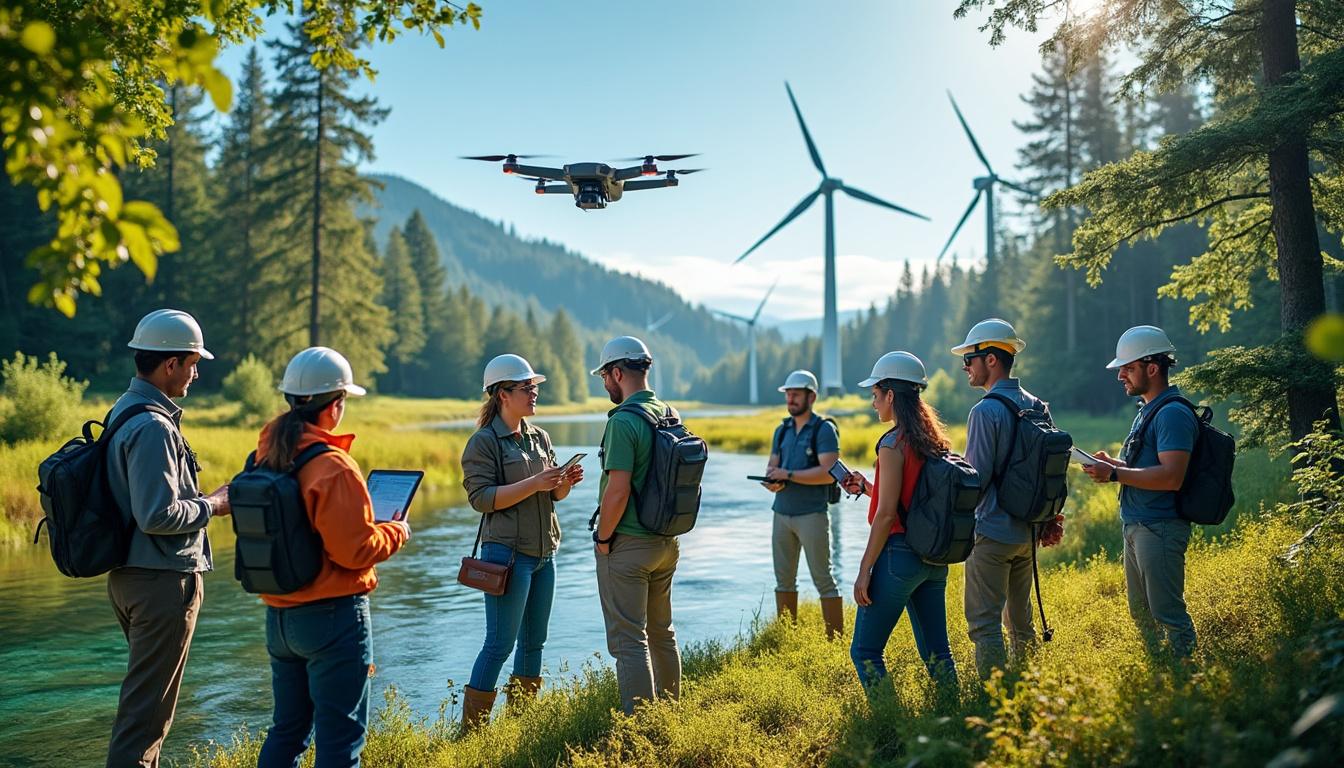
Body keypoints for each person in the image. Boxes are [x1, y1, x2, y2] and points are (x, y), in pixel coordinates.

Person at [254, 347, 410, 767]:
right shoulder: (334, 467)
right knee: (340, 745)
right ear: (335, 404)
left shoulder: (265, 453)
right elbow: (356, 551)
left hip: (279, 616)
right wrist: (397, 530)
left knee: (286, 734)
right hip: (332, 620)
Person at [104, 309, 230, 768]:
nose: (196, 373)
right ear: (169, 364)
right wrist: (214, 504)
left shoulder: (124, 409)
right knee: (146, 721)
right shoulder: (154, 426)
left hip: (132, 577)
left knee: (145, 712)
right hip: (160, 583)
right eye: (193, 363)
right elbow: (158, 515)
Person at [458, 354, 583, 732]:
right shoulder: (483, 442)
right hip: (507, 557)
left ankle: (520, 726)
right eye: (526, 388)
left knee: (534, 644)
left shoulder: (539, 436)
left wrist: (563, 483)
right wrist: (535, 483)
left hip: (545, 554)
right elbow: (480, 498)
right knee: (499, 645)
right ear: (502, 395)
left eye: (535, 387)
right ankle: (472, 734)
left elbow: (553, 496)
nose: (534, 393)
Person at [952, 318, 1064, 679]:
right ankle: (1027, 692)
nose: (965, 366)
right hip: (1027, 533)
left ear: (992, 360)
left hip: (992, 533)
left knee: (985, 625)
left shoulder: (985, 411)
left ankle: (996, 701)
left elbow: (976, 480)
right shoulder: (1038, 406)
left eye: (970, 358)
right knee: (1021, 623)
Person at [840, 351, 958, 692]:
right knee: (938, 654)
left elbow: (888, 514)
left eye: (875, 395)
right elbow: (910, 501)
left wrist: (865, 569)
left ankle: (890, 728)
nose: (873, 403)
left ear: (891, 395)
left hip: (898, 558)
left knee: (865, 651)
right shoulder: (933, 442)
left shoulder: (892, 444)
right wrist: (866, 488)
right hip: (933, 560)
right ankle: (955, 716)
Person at [1082, 326, 1198, 657]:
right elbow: (1150, 464)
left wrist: (1115, 473)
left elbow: (1172, 476)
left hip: (1159, 528)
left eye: (1128, 367)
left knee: (1169, 616)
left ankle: (1187, 683)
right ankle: (1160, 678)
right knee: (1142, 616)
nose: (1120, 375)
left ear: (1152, 367)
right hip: (1137, 526)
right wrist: (1111, 463)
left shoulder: (1172, 413)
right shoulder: (1147, 409)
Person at [589, 335, 682, 715]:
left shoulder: (623, 421)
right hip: (667, 543)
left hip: (629, 546)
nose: (605, 384)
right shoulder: (669, 412)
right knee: (662, 633)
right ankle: (671, 714)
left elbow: (617, 491)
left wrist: (603, 538)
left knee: (629, 641)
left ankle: (640, 729)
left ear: (616, 372)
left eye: (605, 377)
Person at [761, 369, 844, 638]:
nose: (791, 399)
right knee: (783, 581)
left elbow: (829, 472)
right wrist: (772, 479)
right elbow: (773, 467)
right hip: (781, 514)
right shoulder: (781, 430)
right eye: (788, 394)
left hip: (812, 515)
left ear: (812, 396)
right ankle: (787, 638)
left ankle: (836, 640)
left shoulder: (824, 429)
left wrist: (789, 475)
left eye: (796, 394)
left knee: (823, 580)